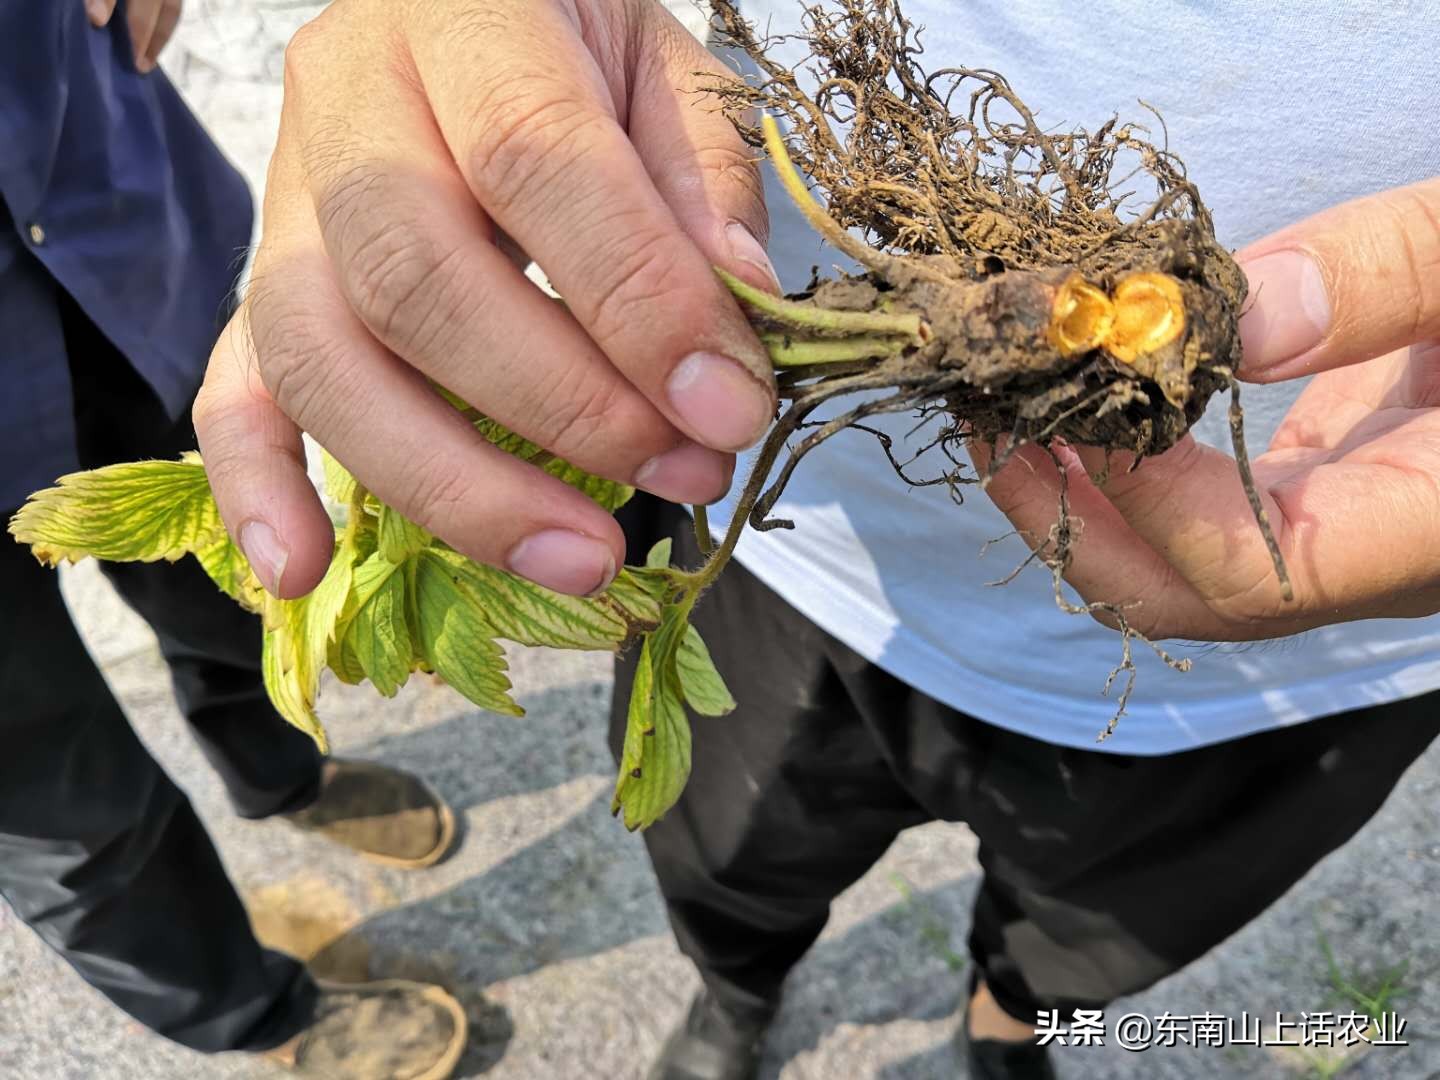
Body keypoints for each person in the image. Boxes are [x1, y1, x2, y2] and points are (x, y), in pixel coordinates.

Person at [184, 0, 1440, 1078]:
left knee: (1092, 934)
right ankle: (737, 1003)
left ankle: (1008, 1030)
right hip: (794, 562)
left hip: (1306, 669)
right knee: (728, 866)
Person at [0, 3, 469, 1077]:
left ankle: (281, 776)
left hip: (87, 201)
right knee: (57, 796)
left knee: (232, 557)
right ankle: (255, 1017)